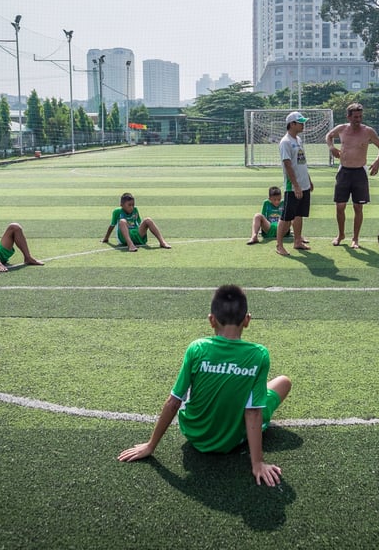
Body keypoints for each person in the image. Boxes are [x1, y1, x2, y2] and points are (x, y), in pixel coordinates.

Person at [117, 285, 293, 486]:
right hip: (231, 441)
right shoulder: (259, 354)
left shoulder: (197, 348)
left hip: (194, 434)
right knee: (283, 382)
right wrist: (257, 463)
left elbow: (174, 402)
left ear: (211, 320)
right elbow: (253, 413)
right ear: (247, 320)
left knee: (194, 387)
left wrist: (150, 446)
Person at [325, 102, 379, 249]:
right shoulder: (342, 129)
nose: (358, 119)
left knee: (358, 207)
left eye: (360, 116)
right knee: (340, 206)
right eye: (355, 117)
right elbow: (328, 135)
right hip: (344, 171)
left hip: (360, 172)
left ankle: (355, 238)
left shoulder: (368, 131)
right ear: (349, 117)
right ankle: (340, 235)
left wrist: (377, 161)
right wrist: (332, 147)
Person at [276, 111, 313, 256]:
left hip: (304, 184)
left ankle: (297, 240)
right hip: (293, 187)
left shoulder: (298, 139)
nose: (303, 125)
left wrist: (308, 180)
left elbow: (302, 161)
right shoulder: (285, 142)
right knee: (286, 217)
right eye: (300, 122)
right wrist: (296, 185)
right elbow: (287, 164)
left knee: (299, 214)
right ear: (292, 124)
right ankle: (279, 245)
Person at [101, 192, 171, 252]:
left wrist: (143, 229)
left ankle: (162, 242)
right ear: (122, 205)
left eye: (133, 205)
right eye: (129, 205)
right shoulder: (117, 211)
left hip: (136, 234)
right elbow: (112, 225)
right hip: (124, 237)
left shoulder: (135, 210)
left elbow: (139, 223)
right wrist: (106, 238)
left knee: (148, 220)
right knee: (122, 221)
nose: (131, 207)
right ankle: (130, 245)